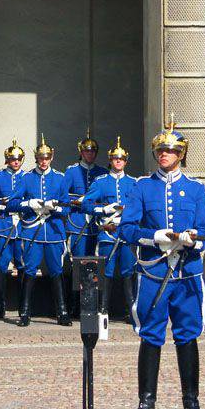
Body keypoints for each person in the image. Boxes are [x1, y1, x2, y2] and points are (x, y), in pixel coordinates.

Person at [119, 118, 205, 409]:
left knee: (187, 336)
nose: (164, 155)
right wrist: (157, 237)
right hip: (155, 274)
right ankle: (146, 405)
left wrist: (191, 240)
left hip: (186, 275)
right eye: (160, 150)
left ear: (181, 154)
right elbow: (128, 229)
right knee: (151, 335)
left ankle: (191, 404)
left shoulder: (195, 189)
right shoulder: (142, 187)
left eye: (171, 151)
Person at [6, 135, 70, 326]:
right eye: (41, 158)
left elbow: (66, 208)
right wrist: (29, 204)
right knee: (29, 270)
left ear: (52, 157)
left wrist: (55, 208)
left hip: (53, 231)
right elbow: (12, 204)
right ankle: (24, 313)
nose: (44, 161)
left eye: (47, 157)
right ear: (36, 158)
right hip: (32, 231)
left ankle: (62, 312)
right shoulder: (27, 178)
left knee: (56, 271)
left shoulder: (60, 178)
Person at [82, 136, 137, 321]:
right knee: (106, 271)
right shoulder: (101, 182)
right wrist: (103, 209)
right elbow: (86, 205)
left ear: (126, 161)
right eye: (115, 158)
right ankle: (103, 309)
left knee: (128, 271)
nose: (118, 161)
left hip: (127, 232)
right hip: (108, 230)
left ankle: (131, 310)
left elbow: (139, 207)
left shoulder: (133, 183)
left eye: (121, 159)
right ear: (110, 160)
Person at [0, 139, 26, 320]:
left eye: (19, 159)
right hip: (3, 225)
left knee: (23, 265)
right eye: (12, 159)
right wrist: (2, 204)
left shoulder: (27, 177)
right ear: (7, 160)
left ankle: (23, 307)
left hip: (21, 226)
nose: (16, 162)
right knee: (1, 266)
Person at [64, 129, 109, 259]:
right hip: (77, 221)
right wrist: (77, 200)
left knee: (97, 261)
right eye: (86, 151)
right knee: (78, 259)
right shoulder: (72, 171)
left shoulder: (102, 172)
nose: (90, 154)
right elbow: (63, 195)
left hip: (97, 221)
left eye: (92, 151)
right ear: (81, 152)